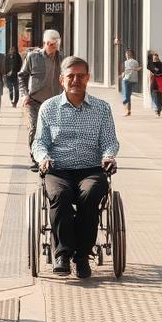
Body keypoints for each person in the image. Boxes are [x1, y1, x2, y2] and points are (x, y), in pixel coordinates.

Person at [31, 56, 120, 279]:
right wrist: (43, 157)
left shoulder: (101, 108)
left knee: (89, 195)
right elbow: (39, 141)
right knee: (60, 194)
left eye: (81, 76)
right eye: (71, 76)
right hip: (58, 168)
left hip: (90, 168)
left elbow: (109, 140)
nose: (76, 80)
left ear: (88, 78)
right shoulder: (49, 108)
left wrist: (109, 155)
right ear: (62, 80)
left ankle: (82, 256)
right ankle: (62, 254)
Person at [19, 30, 64, 172]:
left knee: (52, 131)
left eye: (56, 44)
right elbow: (22, 76)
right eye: (51, 44)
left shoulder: (61, 58)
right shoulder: (33, 57)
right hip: (33, 100)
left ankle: (49, 156)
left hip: (53, 102)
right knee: (34, 128)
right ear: (45, 43)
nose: (54, 47)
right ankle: (36, 159)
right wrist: (24, 94)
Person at [5, 37, 27, 107]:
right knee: (10, 89)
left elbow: (20, 64)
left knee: (16, 89)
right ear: (9, 50)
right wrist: (6, 73)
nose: (12, 50)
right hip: (8, 76)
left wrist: (17, 72)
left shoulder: (17, 56)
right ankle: (11, 100)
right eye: (11, 49)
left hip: (15, 75)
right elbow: (4, 65)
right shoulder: (7, 57)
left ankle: (15, 102)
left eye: (13, 49)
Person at [118, 49, 141, 116]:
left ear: (128, 54)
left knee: (125, 94)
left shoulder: (127, 62)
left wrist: (123, 75)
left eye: (126, 54)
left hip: (127, 79)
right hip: (133, 80)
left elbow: (128, 71)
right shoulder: (136, 62)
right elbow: (133, 69)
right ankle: (128, 111)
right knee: (128, 94)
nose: (126, 55)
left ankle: (125, 103)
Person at [146, 50, 162, 116]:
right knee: (154, 96)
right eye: (154, 58)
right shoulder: (151, 65)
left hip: (159, 82)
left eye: (156, 58)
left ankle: (158, 109)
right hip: (153, 82)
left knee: (158, 96)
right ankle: (157, 109)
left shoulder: (161, 65)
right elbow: (149, 74)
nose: (155, 59)